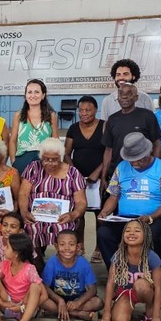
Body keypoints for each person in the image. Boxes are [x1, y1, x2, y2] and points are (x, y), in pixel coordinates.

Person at [96, 132, 161, 266]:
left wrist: (151, 217)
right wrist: (105, 211)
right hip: (124, 218)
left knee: (152, 234)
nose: (135, 163)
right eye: (132, 159)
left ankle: (153, 275)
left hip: (153, 219)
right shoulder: (121, 167)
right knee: (104, 233)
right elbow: (114, 196)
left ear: (148, 152)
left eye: (139, 158)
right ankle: (117, 272)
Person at [19, 137, 87, 272]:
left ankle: (63, 268)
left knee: (65, 233)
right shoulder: (33, 168)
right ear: (41, 157)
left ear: (61, 157)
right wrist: (23, 212)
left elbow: (81, 201)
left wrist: (73, 215)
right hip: (36, 216)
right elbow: (23, 194)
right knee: (30, 229)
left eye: (54, 159)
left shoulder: (73, 173)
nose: (49, 163)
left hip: (62, 217)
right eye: (46, 159)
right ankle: (38, 266)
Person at [98, 219, 161, 321]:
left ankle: (149, 309)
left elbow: (158, 288)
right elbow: (110, 283)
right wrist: (107, 312)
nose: (131, 233)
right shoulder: (119, 255)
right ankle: (122, 307)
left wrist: (156, 317)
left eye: (137, 231)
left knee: (141, 285)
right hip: (126, 292)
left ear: (146, 235)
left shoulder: (152, 257)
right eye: (127, 231)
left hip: (146, 291)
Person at [64, 95, 105, 257]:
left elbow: (109, 153)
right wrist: (75, 175)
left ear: (96, 110)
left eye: (88, 110)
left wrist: (97, 173)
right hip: (78, 180)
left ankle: (99, 249)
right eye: (81, 110)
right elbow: (66, 154)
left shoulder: (103, 126)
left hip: (99, 178)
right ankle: (79, 246)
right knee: (79, 215)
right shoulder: (73, 128)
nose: (84, 113)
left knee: (100, 215)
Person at [100, 83, 161, 186]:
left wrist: (154, 170)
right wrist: (103, 177)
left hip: (143, 172)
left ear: (136, 97)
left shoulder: (147, 116)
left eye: (129, 93)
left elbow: (157, 145)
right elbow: (108, 150)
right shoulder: (112, 119)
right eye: (121, 94)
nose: (124, 96)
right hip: (118, 174)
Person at [38, 230, 102, 321]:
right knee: (40, 300)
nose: (67, 248)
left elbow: (92, 289)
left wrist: (78, 302)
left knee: (98, 302)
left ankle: (58, 312)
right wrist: (60, 300)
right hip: (56, 299)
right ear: (56, 246)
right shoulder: (52, 262)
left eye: (71, 244)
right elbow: (45, 287)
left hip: (77, 299)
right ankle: (80, 314)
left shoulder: (83, 264)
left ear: (78, 247)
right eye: (62, 244)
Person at [9, 78, 59, 175]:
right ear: (25, 95)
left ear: (43, 95)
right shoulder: (18, 115)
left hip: (45, 159)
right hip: (22, 159)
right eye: (29, 92)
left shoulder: (51, 115)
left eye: (36, 92)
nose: (33, 95)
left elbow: (55, 140)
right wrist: (13, 161)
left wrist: (56, 161)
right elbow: (12, 140)